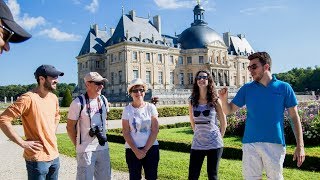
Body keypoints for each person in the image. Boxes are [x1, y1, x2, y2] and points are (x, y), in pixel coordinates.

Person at [218, 52, 305, 179]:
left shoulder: (284, 88)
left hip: (275, 143)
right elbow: (228, 110)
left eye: (254, 67)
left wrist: (300, 146)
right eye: (249, 67)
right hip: (250, 143)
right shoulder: (247, 88)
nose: (250, 71)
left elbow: (294, 117)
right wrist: (224, 99)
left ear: (266, 67)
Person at [0, 64, 64, 179]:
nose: (57, 80)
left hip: (54, 156)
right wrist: (22, 143)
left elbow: (57, 116)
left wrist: (50, 131)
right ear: (41, 79)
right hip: (37, 159)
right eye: (53, 77)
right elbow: (3, 119)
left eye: (57, 77)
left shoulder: (53, 98)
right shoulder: (28, 98)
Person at [67, 72, 111, 180]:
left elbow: (105, 119)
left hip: (103, 146)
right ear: (87, 84)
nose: (101, 86)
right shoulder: (77, 103)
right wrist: (78, 144)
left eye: (102, 83)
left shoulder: (104, 100)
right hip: (85, 149)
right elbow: (70, 127)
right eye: (97, 83)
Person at [188, 70, 227, 180]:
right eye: (199, 78)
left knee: (212, 176)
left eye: (204, 77)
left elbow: (224, 122)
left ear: (209, 80)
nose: (201, 79)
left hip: (214, 143)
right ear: (196, 81)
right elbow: (192, 121)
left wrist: (220, 137)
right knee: (192, 176)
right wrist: (199, 134)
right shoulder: (192, 101)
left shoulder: (215, 100)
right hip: (197, 143)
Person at [121, 78, 160, 180]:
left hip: (151, 148)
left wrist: (145, 150)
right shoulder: (127, 110)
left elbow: (155, 130)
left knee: (152, 177)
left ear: (144, 92)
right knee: (134, 178)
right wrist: (136, 151)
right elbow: (125, 132)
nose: (139, 93)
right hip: (132, 150)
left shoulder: (151, 107)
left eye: (141, 90)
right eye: (135, 90)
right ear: (131, 93)